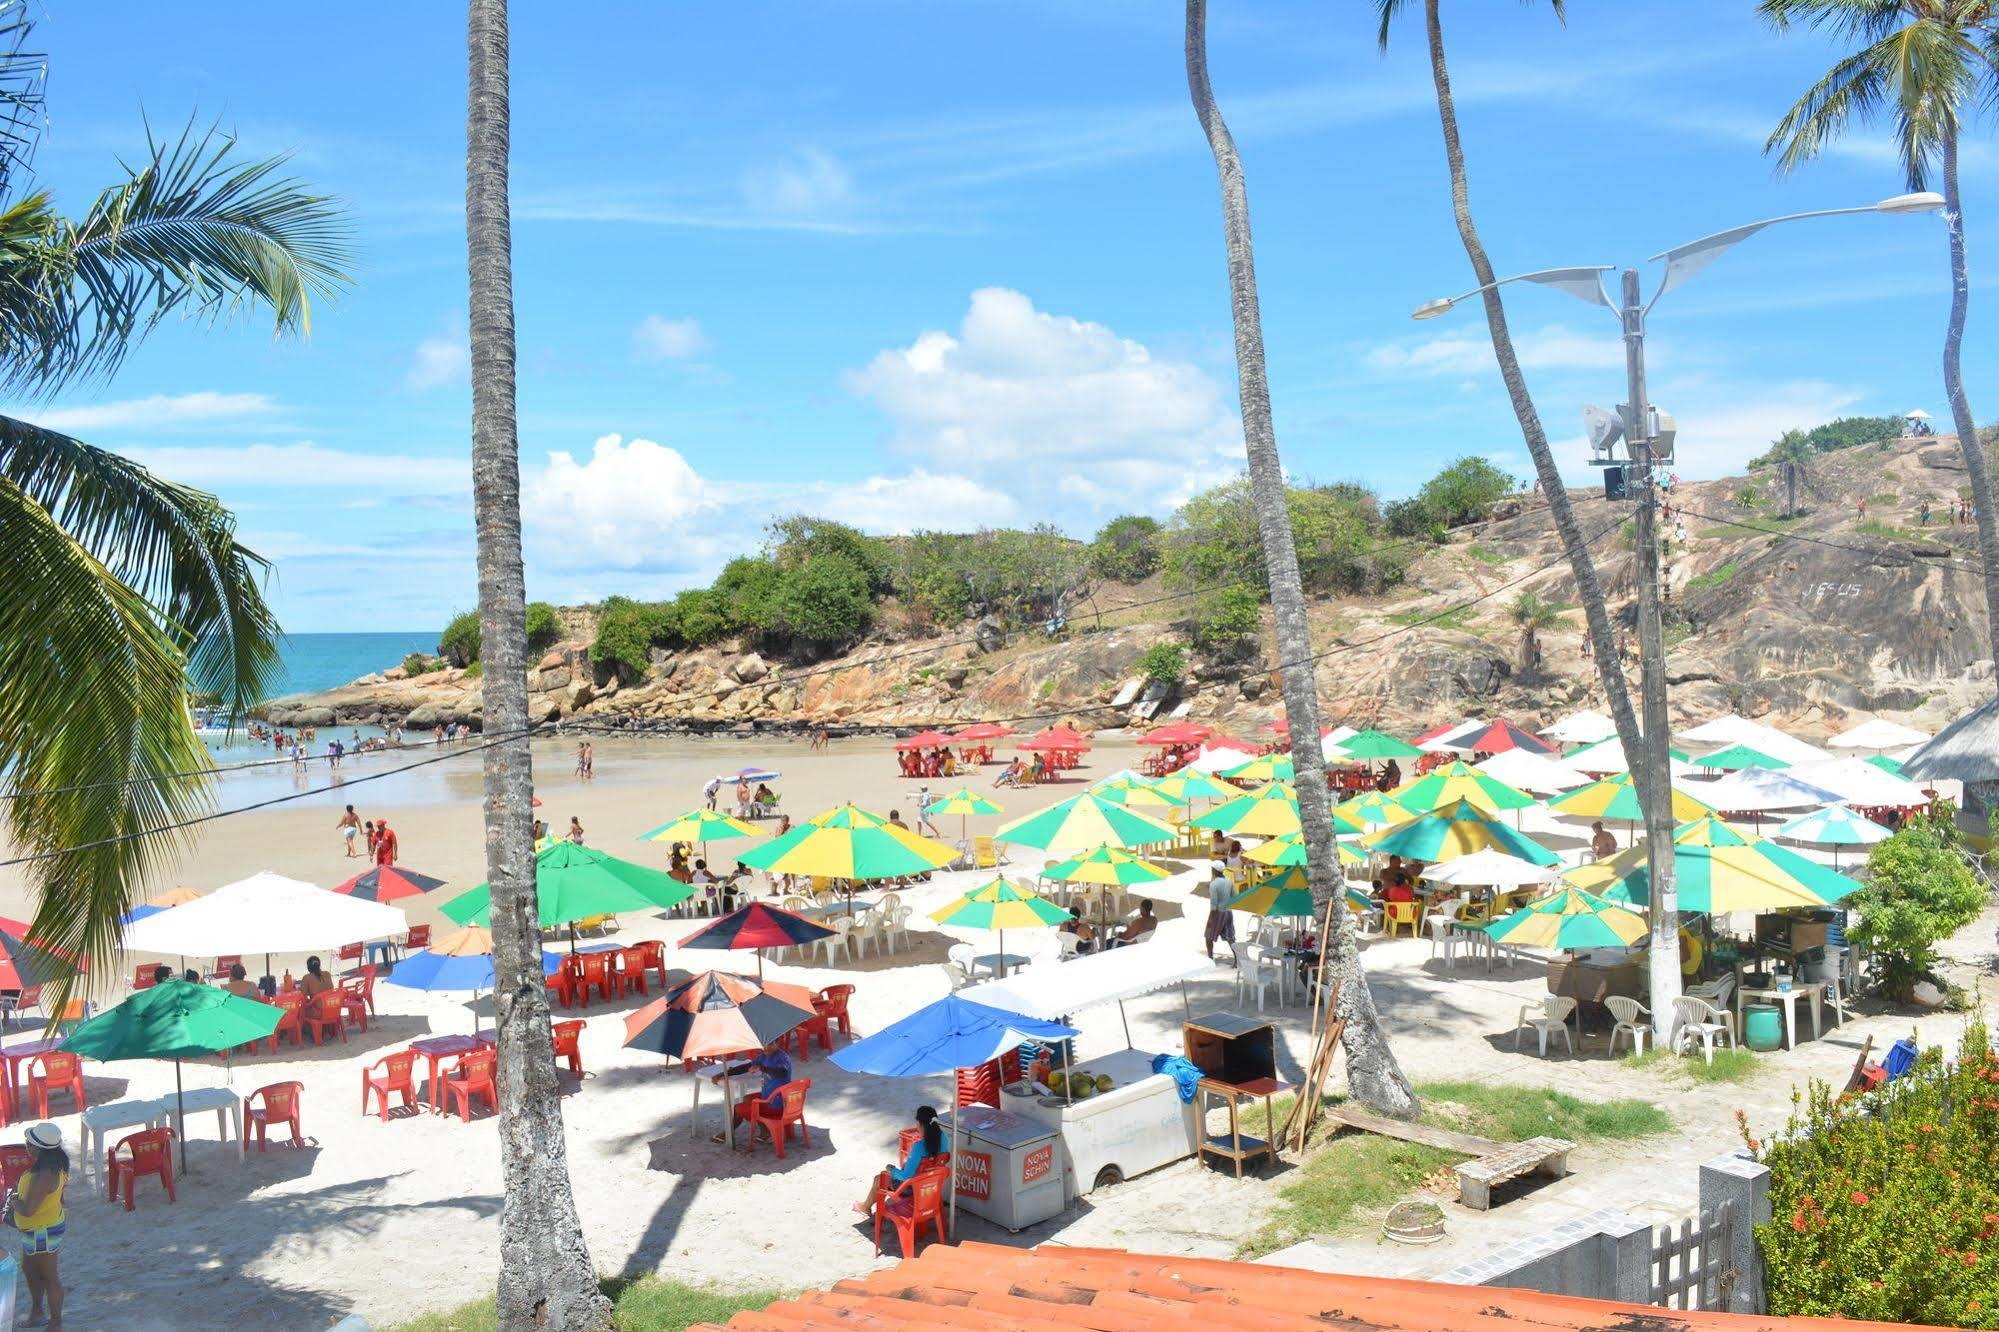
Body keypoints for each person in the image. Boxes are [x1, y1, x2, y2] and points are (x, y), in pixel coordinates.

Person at [12, 1121, 67, 1328]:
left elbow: (28, 1210)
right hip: (42, 1226)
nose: (26, 1145)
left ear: (38, 1148)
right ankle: (37, 1312)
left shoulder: (44, 1175)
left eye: (29, 1142)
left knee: (49, 1276)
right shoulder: (55, 1164)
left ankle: (55, 1322)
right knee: (30, 1269)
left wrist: (14, 1201)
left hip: (41, 1230)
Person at [856, 1105, 944, 1218]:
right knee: (887, 1175)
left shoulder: (919, 1147)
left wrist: (892, 1170)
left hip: (913, 1188)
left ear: (921, 1124)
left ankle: (865, 1206)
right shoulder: (944, 1138)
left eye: (917, 1122)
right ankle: (866, 1206)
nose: (916, 1125)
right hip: (932, 1184)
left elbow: (906, 1176)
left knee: (879, 1178)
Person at [721, 1044, 794, 1144]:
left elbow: (782, 1073)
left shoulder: (782, 1057)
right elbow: (747, 1067)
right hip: (770, 1097)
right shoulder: (763, 1056)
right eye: (764, 1045)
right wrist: (724, 1073)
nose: (767, 1048)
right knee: (747, 1098)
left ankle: (727, 1135)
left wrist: (762, 1068)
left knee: (738, 1108)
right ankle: (765, 1132)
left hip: (777, 1104)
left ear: (778, 1042)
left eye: (771, 1044)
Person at [1204, 863, 1237, 961]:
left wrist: (1211, 917)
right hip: (1228, 911)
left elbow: (1213, 903)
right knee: (1230, 937)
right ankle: (1237, 959)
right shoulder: (1229, 881)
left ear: (1214, 870)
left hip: (1217, 912)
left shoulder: (1213, 884)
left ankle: (1210, 958)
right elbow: (1234, 896)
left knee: (1208, 936)